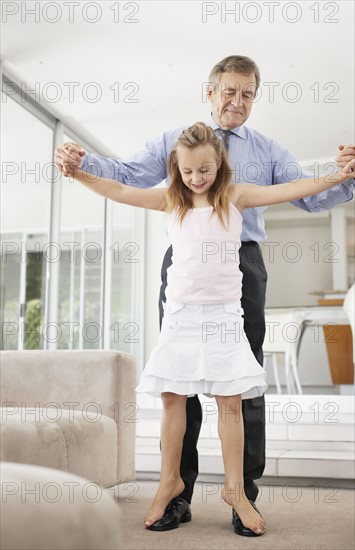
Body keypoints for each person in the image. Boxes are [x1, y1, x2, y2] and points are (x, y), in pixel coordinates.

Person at [55, 56, 355, 530]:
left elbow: (302, 190)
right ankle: (175, 490)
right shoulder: (175, 156)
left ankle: (242, 492)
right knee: (178, 390)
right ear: (211, 91)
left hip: (240, 271)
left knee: (238, 388)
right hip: (184, 285)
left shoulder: (256, 165)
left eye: (248, 94)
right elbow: (124, 181)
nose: (238, 101)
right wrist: (80, 167)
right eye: (230, 91)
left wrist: (344, 174)